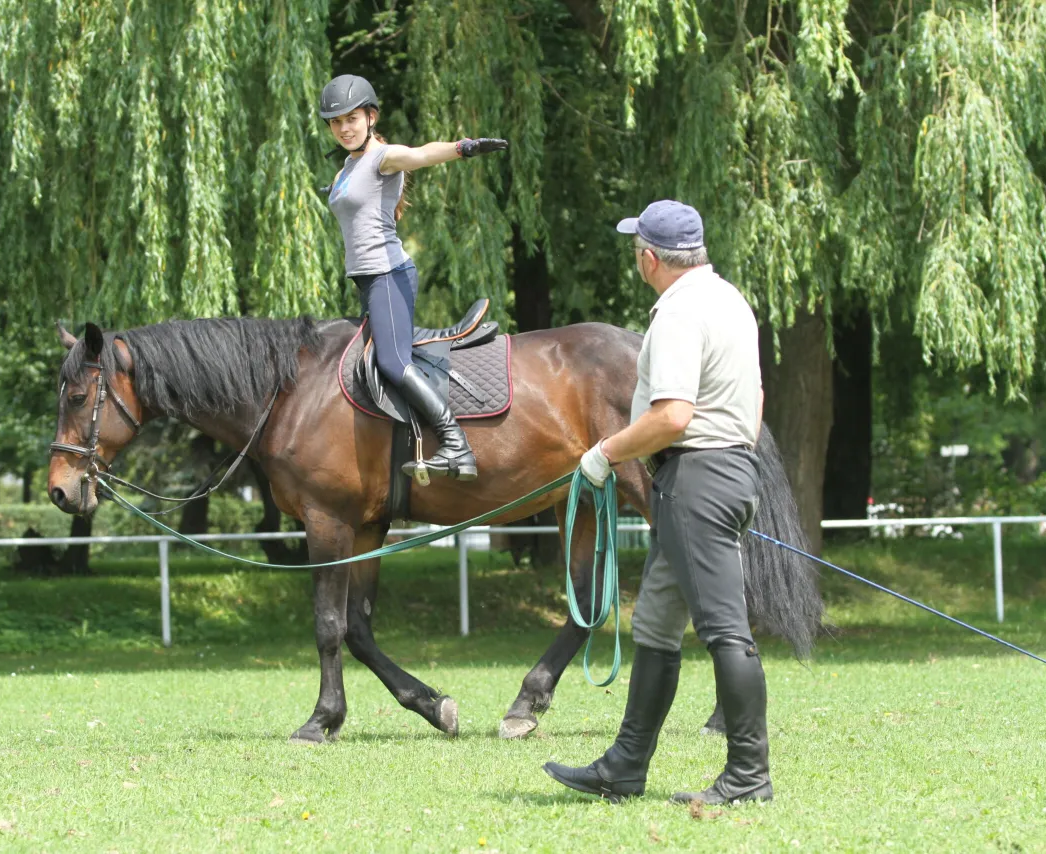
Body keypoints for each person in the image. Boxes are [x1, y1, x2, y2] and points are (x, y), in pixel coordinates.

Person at [543, 200, 772, 805]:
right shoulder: (730, 301)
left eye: (635, 249)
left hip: (697, 478)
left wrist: (604, 452)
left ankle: (749, 776)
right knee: (656, 627)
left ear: (649, 257)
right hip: (712, 474)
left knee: (725, 630)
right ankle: (624, 767)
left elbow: (672, 416)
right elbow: (757, 396)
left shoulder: (677, 315)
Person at [319, 73, 508, 482]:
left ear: (371, 117)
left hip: (388, 274)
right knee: (365, 364)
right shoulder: (349, 166)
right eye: (336, 122)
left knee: (392, 362)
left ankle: (456, 444)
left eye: (352, 118)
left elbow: (421, 155)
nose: (344, 128)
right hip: (368, 280)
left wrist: (464, 148)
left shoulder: (381, 157)